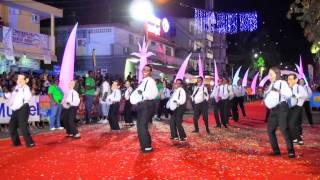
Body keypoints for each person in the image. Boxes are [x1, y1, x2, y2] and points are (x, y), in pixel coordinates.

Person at [264, 67, 295, 158]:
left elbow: (289, 94)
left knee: (284, 129)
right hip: (273, 109)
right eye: (269, 74)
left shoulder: (282, 83)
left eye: (271, 74)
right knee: (270, 130)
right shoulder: (271, 85)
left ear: (276, 74)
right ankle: (276, 150)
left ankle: (290, 151)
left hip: (282, 108)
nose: (269, 76)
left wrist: (279, 91)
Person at [130, 64, 158, 153]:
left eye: (147, 70)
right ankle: (146, 145)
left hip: (146, 105)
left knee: (142, 126)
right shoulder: (144, 81)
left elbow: (154, 94)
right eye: (144, 69)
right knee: (141, 126)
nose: (145, 71)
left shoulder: (150, 81)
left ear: (151, 72)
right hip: (143, 105)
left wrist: (143, 93)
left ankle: (147, 147)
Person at [8, 74, 35, 148]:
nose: (19, 80)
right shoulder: (16, 87)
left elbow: (28, 97)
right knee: (11, 126)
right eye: (18, 78)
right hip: (15, 110)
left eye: (21, 79)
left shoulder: (25, 88)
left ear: (25, 80)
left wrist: (24, 86)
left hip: (23, 108)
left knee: (22, 126)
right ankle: (16, 142)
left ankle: (30, 143)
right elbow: (13, 97)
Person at [287, 75, 308, 145]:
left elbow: (306, 95)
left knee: (292, 123)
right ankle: (295, 139)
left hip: (298, 107)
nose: (289, 81)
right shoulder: (289, 88)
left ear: (296, 80)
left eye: (290, 79)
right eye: (288, 79)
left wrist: (297, 95)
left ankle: (299, 139)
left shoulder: (299, 88)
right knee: (292, 124)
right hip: (290, 107)